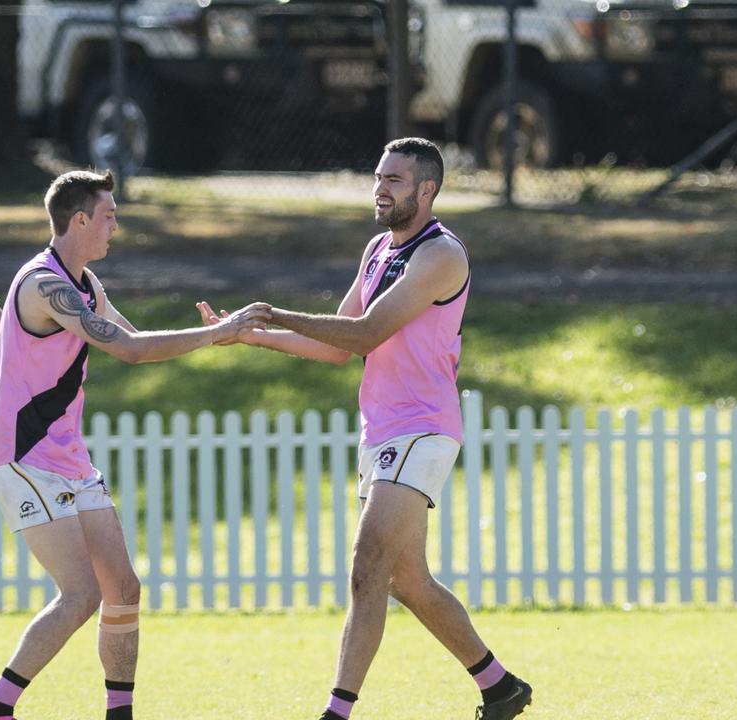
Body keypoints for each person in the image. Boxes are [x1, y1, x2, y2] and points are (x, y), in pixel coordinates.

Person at [201, 137, 531, 720]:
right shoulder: (379, 248)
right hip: (382, 433)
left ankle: (336, 712)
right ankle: (499, 686)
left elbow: (363, 334)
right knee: (407, 579)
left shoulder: (441, 255)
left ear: (427, 190)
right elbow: (334, 347)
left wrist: (272, 311)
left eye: (395, 181)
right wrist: (250, 333)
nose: (380, 189)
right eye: (378, 178)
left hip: (423, 429)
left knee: (367, 564)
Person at [0, 169, 267, 720]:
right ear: (79, 220)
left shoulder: (83, 283)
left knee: (123, 588)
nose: (116, 225)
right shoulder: (44, 283)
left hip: (67, 459)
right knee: (81, 595)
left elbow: (136, 339)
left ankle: (119, 713)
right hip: (24, 457)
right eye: (108, 215)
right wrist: (216, 336)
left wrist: (221, 333)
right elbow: (127, 349)